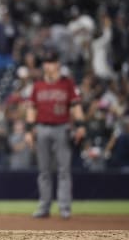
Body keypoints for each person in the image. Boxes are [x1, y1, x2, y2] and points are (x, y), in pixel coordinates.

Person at [25, 47, 86, 219]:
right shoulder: (38, 85)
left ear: (58, 64)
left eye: (51, 62)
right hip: (42, 128)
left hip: (62, 127)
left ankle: (64, 208)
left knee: (64, 170)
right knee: (44, 171)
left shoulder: (67, 83)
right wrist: (29, 131)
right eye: (46, 62)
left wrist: (80, 125)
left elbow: (76, 106)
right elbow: (31, 109)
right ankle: (44, 207)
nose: (48, 65)